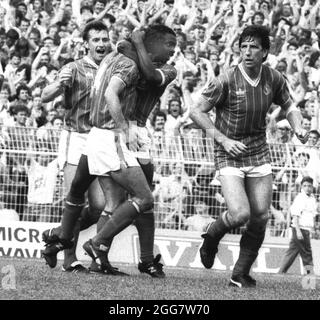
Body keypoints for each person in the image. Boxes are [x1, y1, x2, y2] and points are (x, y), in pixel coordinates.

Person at [42, 25, 177, 276]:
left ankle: (77, 245)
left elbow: (149, 75)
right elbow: (110, 90)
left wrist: (135, 45)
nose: (173, 50)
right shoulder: (118, 61)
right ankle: (76, 248)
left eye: (105, 38)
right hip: (113, 133)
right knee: (135, 198)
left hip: (126, 133)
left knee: (114, 203)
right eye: (169, 44)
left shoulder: (163, 67)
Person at [190, 25, 309, 288]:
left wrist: (298, 126)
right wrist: (223, 139)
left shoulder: (274, 78)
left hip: (257, 151)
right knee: (240, 213)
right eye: (243, 46)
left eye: (254, 46)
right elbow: (196, 111)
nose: (247, 51)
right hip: (228, 152)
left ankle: (239, 273)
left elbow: (289, 106)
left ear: (265, 52)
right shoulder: (226, 79)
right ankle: (211, 235)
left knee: (261, 216)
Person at [41, 20, 112, 273]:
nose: (101, 44)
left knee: (100, 206)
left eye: (104, 39)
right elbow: (45, 96)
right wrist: (59, 84)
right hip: (76, 138)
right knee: (75, 199)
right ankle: (70, 260)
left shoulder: (112, 67)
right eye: (96, 40)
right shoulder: (74, 68)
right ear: (86, 44)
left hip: (99, 139)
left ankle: (57, 236)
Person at [278, 176, 319, 275]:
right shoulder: (300, 198)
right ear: (301, 187)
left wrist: (312, 229)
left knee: (291, 252)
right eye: (305, 186)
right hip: (300, 229)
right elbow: (295, 217)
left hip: (306, 229)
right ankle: (309, 280)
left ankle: (280, 273)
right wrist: (298, 231)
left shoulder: (312, 199)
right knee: (307, 254)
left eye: (309, 186)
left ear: (312, 187)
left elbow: (312, 216)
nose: (307, 188)